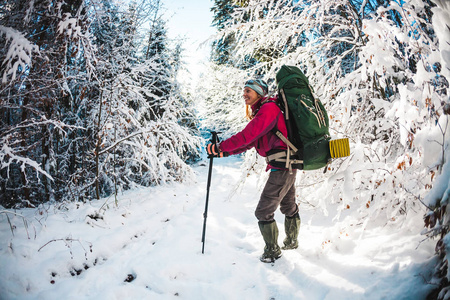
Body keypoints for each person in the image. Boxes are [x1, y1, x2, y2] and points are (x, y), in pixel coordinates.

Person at [206, 79, 301, 263]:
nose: (244, 94)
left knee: (263, 211)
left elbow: (247, 135)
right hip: (285, 165)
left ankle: (273, 252)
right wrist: (223, 152)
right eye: (244, 91)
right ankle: (291, 243)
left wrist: (220, 146)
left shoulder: (268, 109)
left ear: (259, 92)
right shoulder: (264, 111)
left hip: (282, 166)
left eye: (248, 90)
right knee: (288, 206)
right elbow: (250, 142)